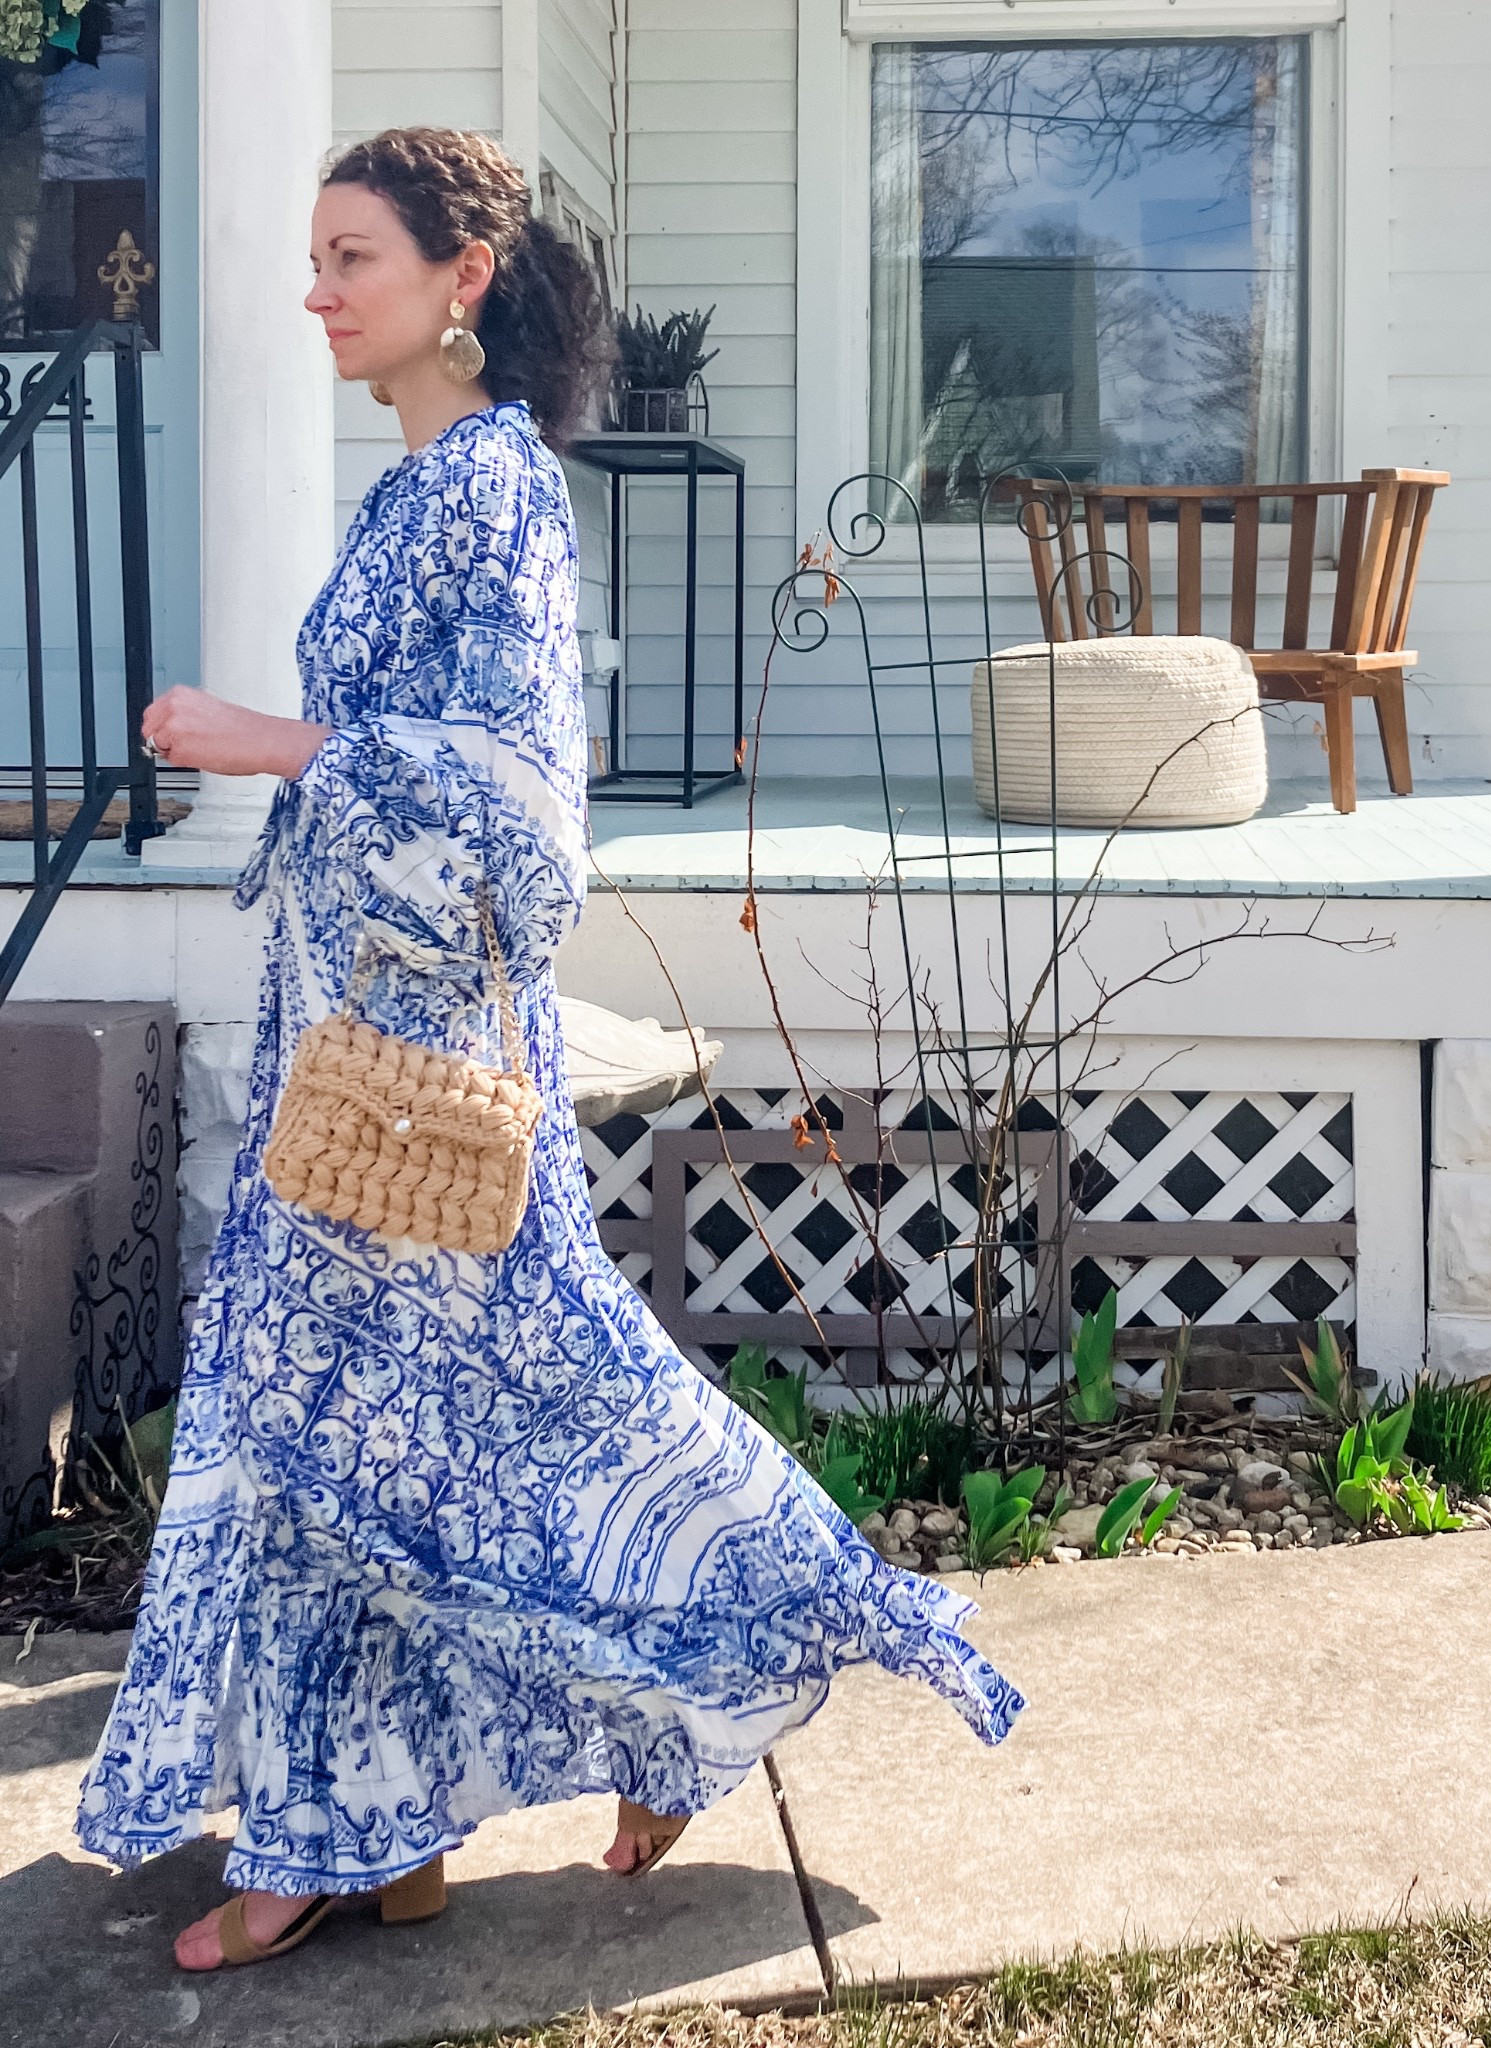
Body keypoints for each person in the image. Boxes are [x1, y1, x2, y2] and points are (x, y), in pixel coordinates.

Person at [77, 126, 1025, 1974]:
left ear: (462, 280)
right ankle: (364, 1827)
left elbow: (530, 816)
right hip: (344, 1046)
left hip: (418, 1073)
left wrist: (271, 745)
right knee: (364, 1442)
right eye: (319, 256)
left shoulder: (495, 491)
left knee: (454, 1420)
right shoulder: (417, 485)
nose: (319, 290)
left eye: (353, 255)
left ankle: (702, 1674)